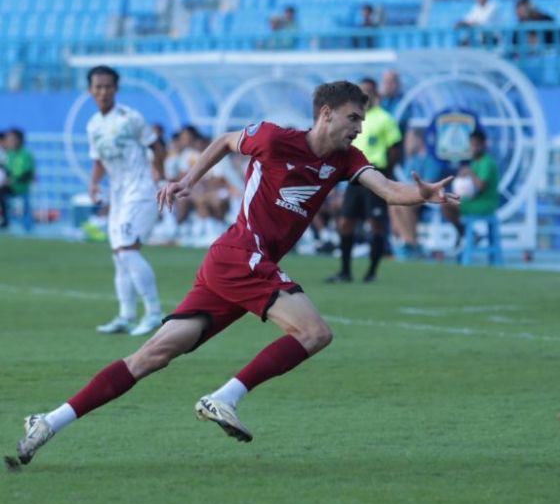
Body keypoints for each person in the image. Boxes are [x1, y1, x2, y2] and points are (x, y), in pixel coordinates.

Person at [9, 81, 457, 468]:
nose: (359, 126)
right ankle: (223, 397)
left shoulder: (344, 159)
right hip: (242, 254)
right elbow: (225, 141)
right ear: (326, 114)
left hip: (236, 263)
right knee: (315, 332)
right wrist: (187, 181)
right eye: (354, 117)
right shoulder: (276, 138)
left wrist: (421, 195)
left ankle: (48, 421)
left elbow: (387, 190)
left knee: (151, 357)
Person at [86, 66, 166, 338]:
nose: (103, 91)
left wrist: (159, 171)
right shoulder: (93, 124)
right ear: (90, 90)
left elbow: (156, 146)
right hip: (118, 195)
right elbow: (98, 160)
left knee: (128, 250)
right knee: (119, 256)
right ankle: (126, 315)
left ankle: (154, 312)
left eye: (108, 86)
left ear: (116, 89)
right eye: (98, 87)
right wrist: (94, 182)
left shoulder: (130, 117)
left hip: (141, 189)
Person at [327, 78, 403, 283]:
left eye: (367, 91)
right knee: (346, 223)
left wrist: (385, 175)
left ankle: (372, 272)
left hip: (374, 173)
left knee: (376, 223)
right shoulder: (352, 118)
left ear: (375, 93)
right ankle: (345, 271)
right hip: (354, 176)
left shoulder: (385, 119)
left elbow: (395, 149)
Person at [390, 126, 443, 258]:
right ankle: (410, 243)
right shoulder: (412, 160)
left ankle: (410, 244)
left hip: (428, 198)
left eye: (410, 139)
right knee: (393, 204)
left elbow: (429, 185)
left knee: (402, 204)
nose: (407, 143)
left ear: (419, 140)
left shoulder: (431, 160)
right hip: (411, 195)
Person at [442, 128, 499, 244]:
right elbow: (470, 187)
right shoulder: (475, 162)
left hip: (485, 203)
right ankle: (468, 234)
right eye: (471, 145)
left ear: (483, 145)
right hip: (474, 200)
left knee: (447, 205)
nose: (473, 148)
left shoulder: (486, 162)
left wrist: (470, 173)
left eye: (476, 145)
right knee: (445, 201)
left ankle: (466, 234)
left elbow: (481, 186)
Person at [1, 128, 35, 233]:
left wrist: (14, 181)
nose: (9, 142)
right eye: (8, 139)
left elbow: (28, 175)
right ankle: (6, 221)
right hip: (10, 187)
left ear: (19, 140)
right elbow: (7, 170)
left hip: (22, 187)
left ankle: (27, 227)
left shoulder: (26, 155)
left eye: (12, 139)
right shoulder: (9, 155)